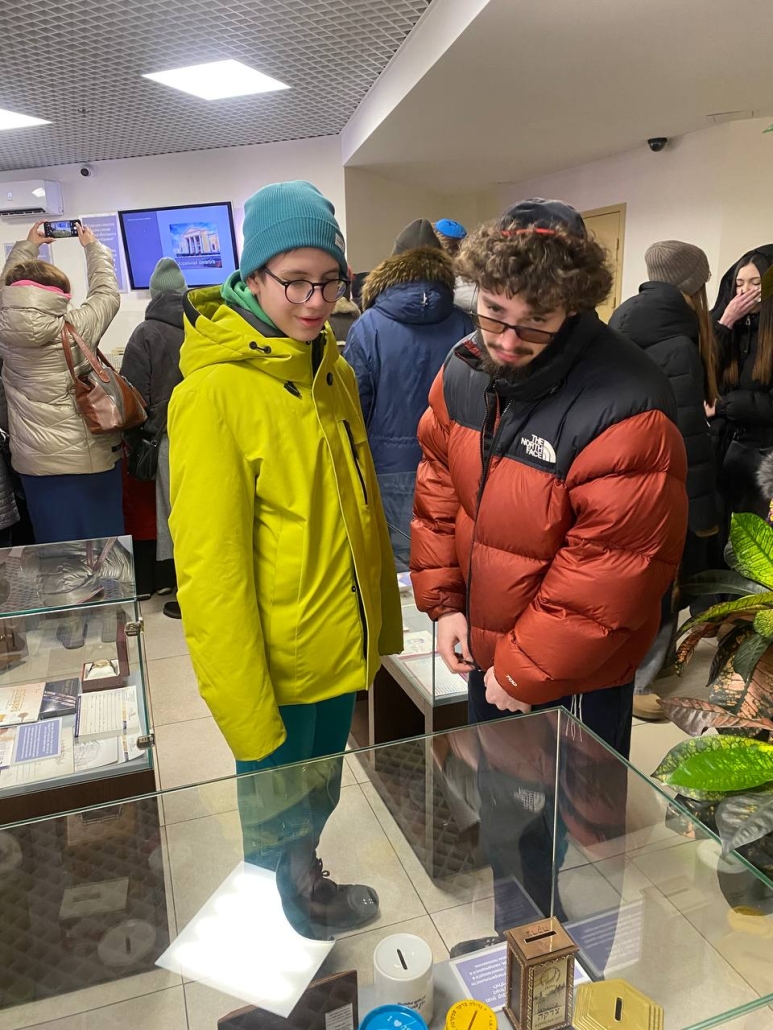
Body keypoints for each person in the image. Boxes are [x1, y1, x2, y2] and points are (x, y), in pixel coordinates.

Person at [168, 180, 402, 938]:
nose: (316, 301)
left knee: (316, 792)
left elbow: (357, 512)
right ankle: (278, 929)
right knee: (273, 813)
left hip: (335, 642)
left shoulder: (328, 369)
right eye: (295, 281)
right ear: (252, 275)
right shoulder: (213, 395)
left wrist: (378, 626)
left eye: (331, 281)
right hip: (275, 664)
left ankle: (304, 882)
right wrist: (243, 704)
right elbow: (211, 572)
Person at [410, 199, 688, 757]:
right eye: (493, 311)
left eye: (537, 319)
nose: (508, 340)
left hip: (575, 669)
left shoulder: (626, 401)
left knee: (576, 811)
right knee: (496, 792)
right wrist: (446, 605)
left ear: (574, 305)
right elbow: (439, 487)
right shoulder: (464, 366)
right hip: (487, 644)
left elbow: (613, 567)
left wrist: (525, 669)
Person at [610, 241, 719, 720]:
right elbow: (688, 436)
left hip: (619, 476)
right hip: (660, 483)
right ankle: (637, 683)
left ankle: (634, 672)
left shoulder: (623, 318)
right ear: (694, 286)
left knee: (629, 578)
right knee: (661, 582)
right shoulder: (679, 343)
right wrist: (703, 512)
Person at [344, 219, 472, 568]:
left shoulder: (368, 326)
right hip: (454, 466)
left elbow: (353, 407)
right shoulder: (465, 324)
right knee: (450, 564)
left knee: (400, 568)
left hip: (387, 466)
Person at [0, 221, 121, 543]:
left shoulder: (4, 329)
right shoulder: (76, 327)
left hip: (33, 464)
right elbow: (106, 294)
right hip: (88, 461)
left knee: (55, 550)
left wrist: (28, 246)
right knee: (104, 551)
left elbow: (7, 293)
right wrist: (93, 248)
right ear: (62, 295)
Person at [121, 257, 186, 613]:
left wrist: (137, 438)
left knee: (172, 516)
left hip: (165, 439)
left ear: (154, 295)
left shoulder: (145, 334)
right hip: (204, 435)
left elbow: (133, 398)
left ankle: (182, 591)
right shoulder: (203, 326)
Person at [711, 245, 773, 521]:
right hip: (725, 449)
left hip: (763, 456)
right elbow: (704, 370)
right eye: (739, 284)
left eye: (755, 283)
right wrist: (725, 322)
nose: (745, 291)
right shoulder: (731, 325)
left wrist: (723, 405)